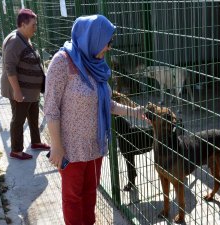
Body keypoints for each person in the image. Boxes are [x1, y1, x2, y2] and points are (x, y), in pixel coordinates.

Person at [44, 15, 145, 225]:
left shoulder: (95, 63)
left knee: (90, 194)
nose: (109, 47)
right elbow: (51, 108)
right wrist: (56, 146)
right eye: (107, 42)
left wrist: (136, 112)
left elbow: (107, 104)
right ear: (93, 38)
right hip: (71, 149)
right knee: (73, 198)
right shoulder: (62, 62)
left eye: (111, 42)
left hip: (95, 147)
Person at [1, 8, 50, 160]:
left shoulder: (24, 37)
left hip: (31, 92)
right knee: (18, 120)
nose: (35, 28)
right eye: (33, 25)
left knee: (33, 116)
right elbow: (10, 68)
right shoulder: (15, 41)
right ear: (23, 24)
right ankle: (16, 150)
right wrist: (17, 91)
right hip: (21, 91)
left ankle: (36, 142)